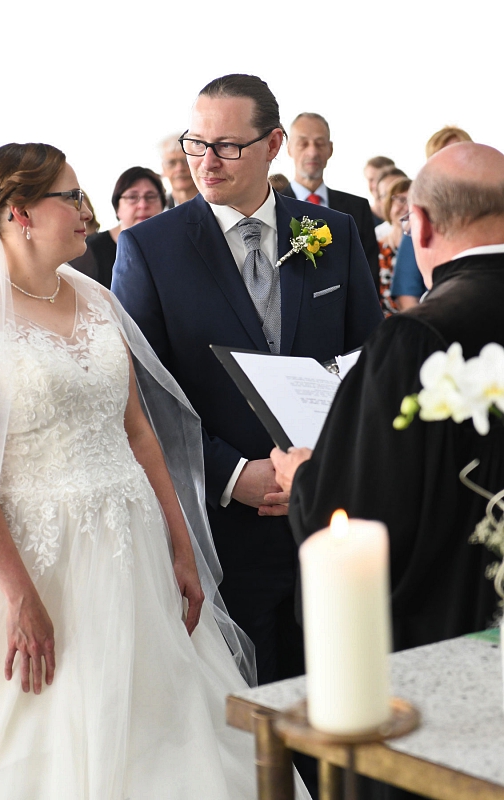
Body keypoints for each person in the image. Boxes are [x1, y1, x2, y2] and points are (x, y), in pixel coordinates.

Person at [0, 142, 312, 800]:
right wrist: (18, 595)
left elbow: (138, 433)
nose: (86, 210)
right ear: (20, 214)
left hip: (131, 548)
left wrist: (181, 547)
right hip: (36, 561)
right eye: (69, 197)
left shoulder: (94, 300)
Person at [111, 74, 384, 688]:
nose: (207, 162)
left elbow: (369, 360)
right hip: (221, 528)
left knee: (341, 697)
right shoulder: (151, 249)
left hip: (327, 517)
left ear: (274, 144)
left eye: (228, 146)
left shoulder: (332, 234)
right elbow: (142, 395)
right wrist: (234, 475)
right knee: (252, 719)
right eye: (197, 143)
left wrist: (321, 464)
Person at [270, 142, 504, 658]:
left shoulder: (417, 337)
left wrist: (304, 479)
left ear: (417, 225)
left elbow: (364, 511)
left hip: (462, 632)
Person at [281, 113, 380, 291]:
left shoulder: (358, 208)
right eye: (303, 143)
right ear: (289, 149)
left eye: (319, 143)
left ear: (330, 149)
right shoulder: (272, 205)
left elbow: (369, 276)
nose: (312, 152)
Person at [391, 126, 474, 312]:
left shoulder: (493, 208)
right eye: (443, 157)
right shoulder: (419, 221)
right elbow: (407, 295)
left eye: (460, 154)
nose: (454, 164)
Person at [78, 166, 165, 288]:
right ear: (117, 207)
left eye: (150, 196)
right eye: (132, 197)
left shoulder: (175, 245)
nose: (143, 205)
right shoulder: (89, 251)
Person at [376, 178, 411, 316]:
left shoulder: (428, 248)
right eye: (401, 200)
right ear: (389, 205)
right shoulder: (374, 247)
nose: (407, 208)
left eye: (413, 201)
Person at [160, 133, 198, 208]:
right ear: (163, 169)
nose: (179, 169)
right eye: (171, 163)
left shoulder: (218, 204)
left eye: (186, 161)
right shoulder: (158, 210)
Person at [363, 155, 395, 225]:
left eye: (380, 179)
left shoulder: (405, 215)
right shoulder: (360, 218)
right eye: (371, 180)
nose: (375, 185)